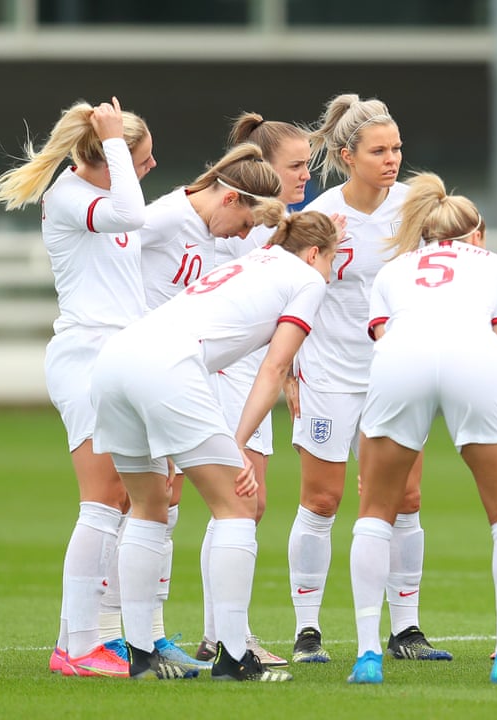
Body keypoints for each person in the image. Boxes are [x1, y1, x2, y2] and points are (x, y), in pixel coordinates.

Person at [90, 210, 338, 681]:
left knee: (148, 507)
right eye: (331, 260)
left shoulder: (254, 259)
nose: (330, 273)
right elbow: (275, 368)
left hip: (115, 359)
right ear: (313, 254)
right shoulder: (307, 279)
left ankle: (142, 655)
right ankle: (235, 657)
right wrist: (239, 441)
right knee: (238, 507)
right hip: (167, 365)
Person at [346, 172, 497, 685]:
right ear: (477, 233)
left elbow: (383, 339)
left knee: (374, 510)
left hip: (399, 356)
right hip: (473, 356)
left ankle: (367, 656)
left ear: (425, 232)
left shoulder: (394, 270)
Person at [0, 97, 157, 678]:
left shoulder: (101, 197)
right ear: (109, 158)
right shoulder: (71, 196)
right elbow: (133, 214)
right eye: (141, 157)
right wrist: (115, 143)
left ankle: (77, 637)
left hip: (115, 356)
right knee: (102, 498)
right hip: (86, 357)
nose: (149, 166)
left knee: (120, 498)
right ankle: (79, 649)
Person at [286, 93, 449, 663]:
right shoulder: (320, 216)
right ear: (346, 156)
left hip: (396, 375)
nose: (392, 159)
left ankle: (406, 630)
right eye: (379, 150)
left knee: (406, 498)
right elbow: (293, 294)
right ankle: (308, 630)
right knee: (322, 499)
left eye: (397, 148)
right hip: (330, 373)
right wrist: (288, 370)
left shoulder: (416, 209)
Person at [135, 141, 291, 673]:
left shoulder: (213, 229)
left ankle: (154, 640)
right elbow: (108, 260)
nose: (243, 236)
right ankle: (113, 637)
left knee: (166, 500)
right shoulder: (165, 217)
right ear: (231, 198)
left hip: (181, 370)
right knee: (137, 502)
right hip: (153, 367)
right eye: (244, 223)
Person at [194, 112, 314, 668]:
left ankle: (218, 633)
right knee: (240, 501)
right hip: (228, 373)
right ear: (263, 168)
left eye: (308, 164)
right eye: (295, 166)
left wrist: (288, 372)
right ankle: (225, 637)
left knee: (248, 504)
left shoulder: (281, 224)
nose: (305, 175)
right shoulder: (243, 226)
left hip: (253, 373)